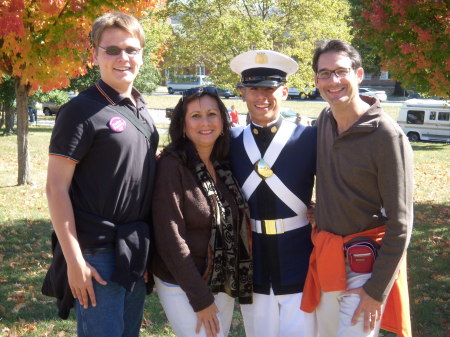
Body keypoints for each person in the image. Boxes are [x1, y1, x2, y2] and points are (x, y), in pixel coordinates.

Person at [43, 12, 159, 337]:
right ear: (95, 55)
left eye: (131, 50)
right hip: (96, 255)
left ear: (141, 55)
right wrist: (75, 261)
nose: (123, 58)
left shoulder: (141, 109)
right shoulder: (80, 111)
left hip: (134, 250)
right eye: (112, 50)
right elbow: (55, 188)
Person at [300, 39, 413, 337]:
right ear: (316, 80)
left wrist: (376, 290)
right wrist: (322, 208)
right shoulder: (324, 120)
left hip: (364, 265)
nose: (333, 81)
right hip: (327, 257)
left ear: (359, 75)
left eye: (341, 71)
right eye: (324, 73)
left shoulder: (387, 136)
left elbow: (401, 224)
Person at [151, 86, 252, 337]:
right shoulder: (172, 166)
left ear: (222, 120)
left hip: (222, 277)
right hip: (183, 282)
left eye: (211, 114)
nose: (205, 122)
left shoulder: (224, 164)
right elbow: (170, 239)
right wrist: (200, 299)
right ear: (183, 125)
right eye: (195, 116)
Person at [229, 50, 317, 337]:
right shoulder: (229, 141)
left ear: (285, 92)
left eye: (270, 88)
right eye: (253, 88)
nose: (261, 96)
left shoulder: (308, 138)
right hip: (251, 260)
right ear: (242, 94)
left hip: (299, 257)